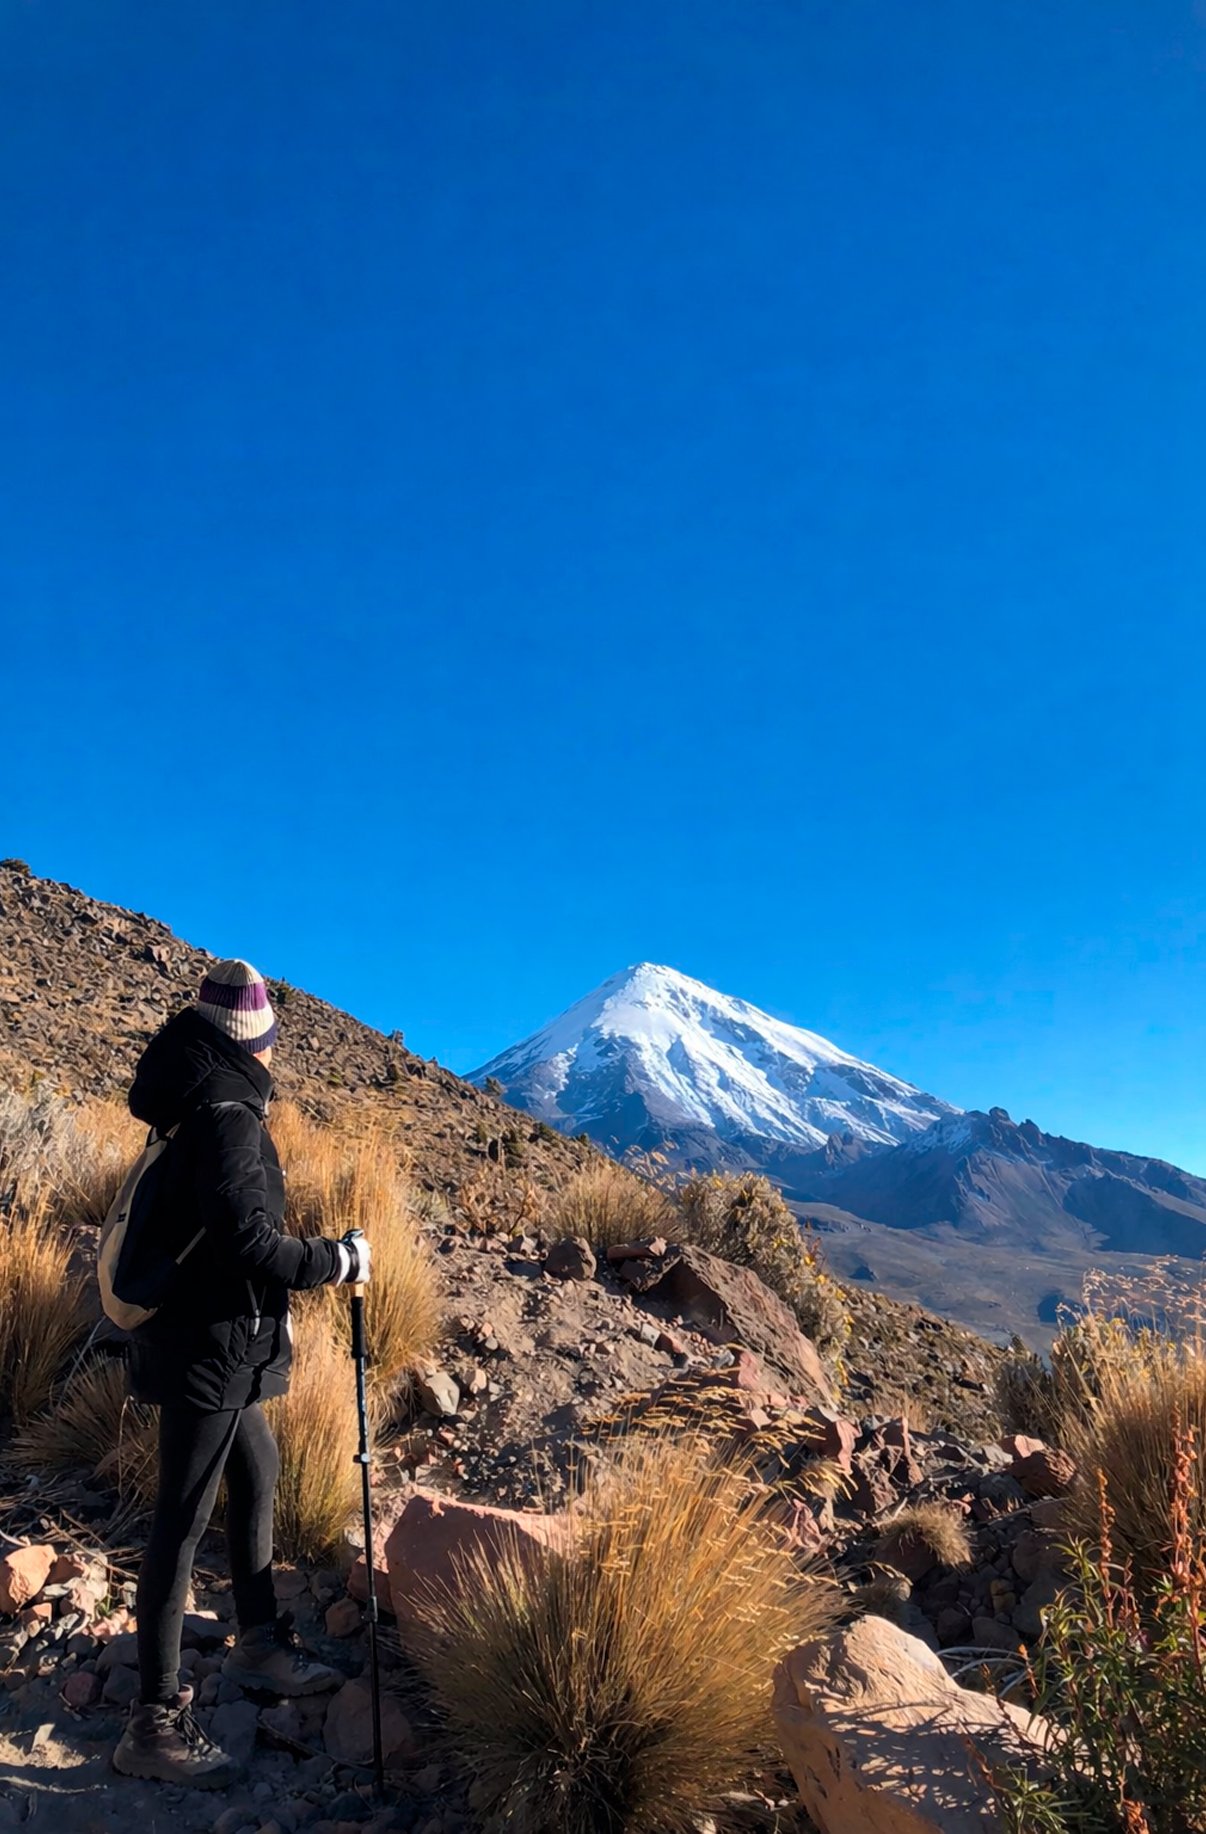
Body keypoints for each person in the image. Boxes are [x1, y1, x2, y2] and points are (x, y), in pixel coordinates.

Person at [112, 959, 371, 1788]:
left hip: (207, 1336)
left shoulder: (191, 1094)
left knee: (258, 1471)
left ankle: (258, 1643)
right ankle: (152, 1723)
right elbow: (249, 1245)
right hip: (208, 1345)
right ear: (256, 1043)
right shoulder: (226, 1112)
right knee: (179, 1525)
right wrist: (338, 1262)